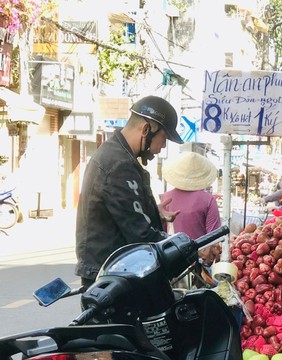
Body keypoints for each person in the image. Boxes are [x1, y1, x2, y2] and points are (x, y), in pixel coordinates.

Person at [75, 96, 184, 287]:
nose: (163, 146)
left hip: (111, 274)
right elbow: (140, 235)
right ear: (146, 130)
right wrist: (186, 248)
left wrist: (151, 210)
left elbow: (124, 212)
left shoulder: (115, 154)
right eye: (164, 138)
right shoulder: (119, 164)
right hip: (111, 279)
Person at [160, 151, 221, 266]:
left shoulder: (165, 198)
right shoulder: (208, 200)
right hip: (197, 261)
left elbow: (160, 233)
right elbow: (214, 237)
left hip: (171, 260)